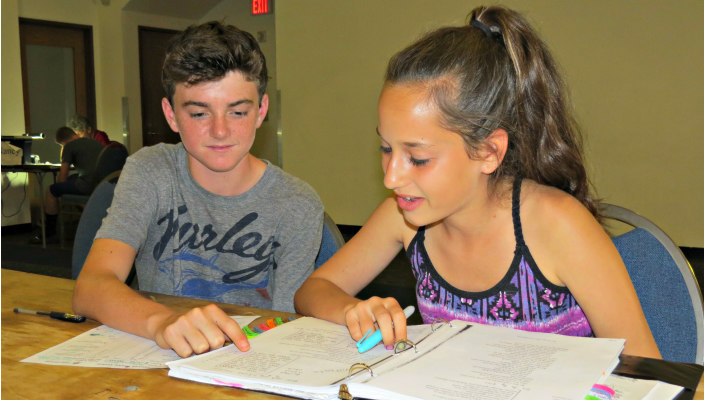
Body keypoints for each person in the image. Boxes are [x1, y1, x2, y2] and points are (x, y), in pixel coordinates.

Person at [294, 5, 661, 359]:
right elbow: (314, 290)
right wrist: (350, 310)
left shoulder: (558, 225)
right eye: (386, 148)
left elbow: (647, 368)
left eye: (418, 158)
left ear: (488, 152)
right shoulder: (403, 216)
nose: (392, 176)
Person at [72, 21, 324, 358]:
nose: (220, 131)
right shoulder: (151, 171)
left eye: (237, 111)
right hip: (161, 356)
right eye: (199, 113)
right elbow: (90, 287)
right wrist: (162, 323)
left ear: (261, 110)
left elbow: (284, 325)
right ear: (171, 115)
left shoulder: (297, 204)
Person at [31, 126, 104, 244]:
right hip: (102, 185)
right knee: (72, 179)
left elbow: (62, 177)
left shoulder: (69, 146)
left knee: (51, 190)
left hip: (87, 186)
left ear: (63, 142)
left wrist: (59, 186)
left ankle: (50, 232)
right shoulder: (94, 142)